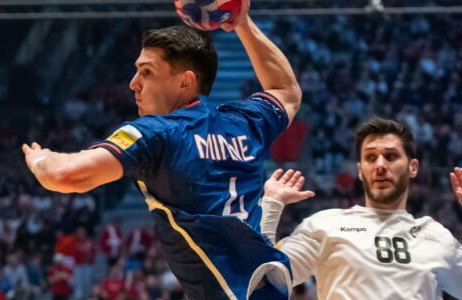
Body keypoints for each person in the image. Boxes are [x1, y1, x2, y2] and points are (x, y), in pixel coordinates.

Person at [23, 1, 299, 299]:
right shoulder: (243, 122)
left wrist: (40, 160)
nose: (133, 84)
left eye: (147, 72)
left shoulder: (157, 132)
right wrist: (243, 23)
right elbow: (286, 91)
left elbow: (67, 176)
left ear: (185, 80)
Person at [260, 118, 462, 299]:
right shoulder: (324, 225)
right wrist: (270, 206)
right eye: (371, 158)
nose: (380, 165)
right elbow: (264, 279)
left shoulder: (437, 235)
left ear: (413, 167)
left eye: (391, 156)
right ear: (359, 170)